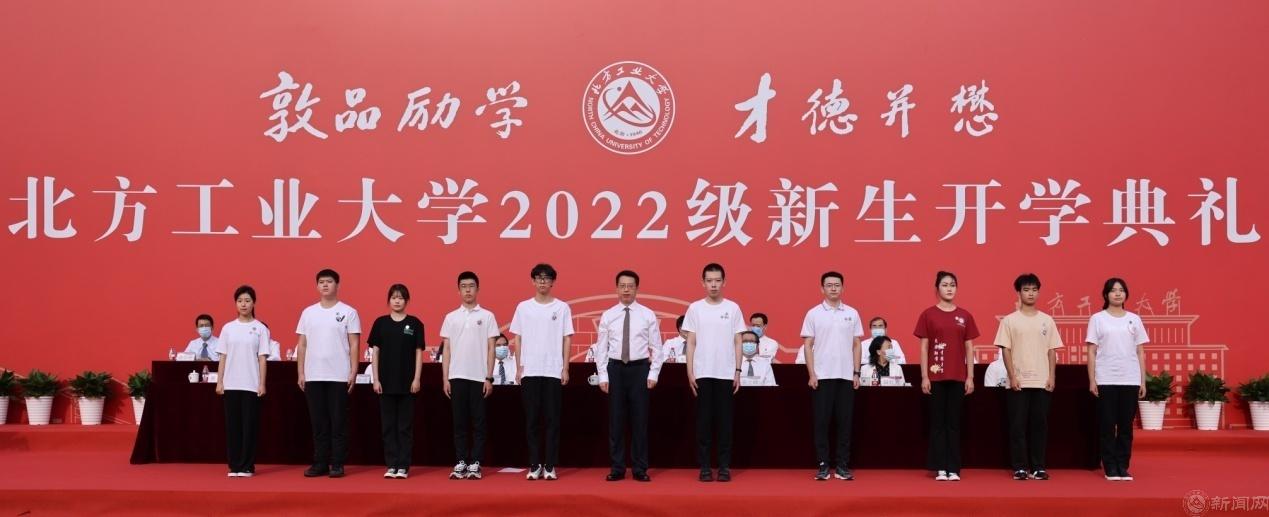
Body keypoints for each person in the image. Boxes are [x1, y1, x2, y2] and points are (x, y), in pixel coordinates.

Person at [596, 270, 665, 482]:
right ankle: (617, 468)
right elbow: (601, 349)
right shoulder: (608, 315)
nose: (626, 289)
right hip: (615, 370)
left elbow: (657, 347)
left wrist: (653, 373)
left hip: (640, 370)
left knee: (639, 421)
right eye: (622, 286)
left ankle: (639, 468)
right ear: (616, 288)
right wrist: (603, 376)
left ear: (637, 288)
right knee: (616, 422)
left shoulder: (647, 314)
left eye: (630, 286)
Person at [996, 273, 1063, 481]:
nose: (1030, 293)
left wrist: (1052, 376)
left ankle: (1038, 467)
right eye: (1026, 290)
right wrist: (1012, 376)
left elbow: (1052, 350)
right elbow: (1006, 350)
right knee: (1017, 426)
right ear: (1019, 293)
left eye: (1034, 290)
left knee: (1039, 426)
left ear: (1038, 292)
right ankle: (1020, 467)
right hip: (1018, 381)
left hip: (1042, 381)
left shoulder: (1047, 320)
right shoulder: (1009, 320)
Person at [510, 263, 574, 481]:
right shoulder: (523, 307)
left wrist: (565, 367)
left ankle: (549, 465)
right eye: (539, 278)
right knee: (532, 420)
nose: (543, 281)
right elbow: (517, 338)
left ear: (553, 282)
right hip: (530, 369)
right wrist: (519, 367)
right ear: (533, 281)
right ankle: (535, 464)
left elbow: (567, 338)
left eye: (547, 278)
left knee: (552, 420)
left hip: (553, 370)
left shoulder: (562, 308)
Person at [296, 269, 361, 479]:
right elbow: (302, 344)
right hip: (313, 374)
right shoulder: (308, 313)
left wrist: (353, 370)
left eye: (329, 281)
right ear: (317, 286)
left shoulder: (348, 312)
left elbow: (354, 344)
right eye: (321, 282)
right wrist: (301, 372)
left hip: (339, 375)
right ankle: (320, 462)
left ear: (337, 285)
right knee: (319, 422)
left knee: (338, 421)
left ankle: (337, 463)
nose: (325, 285)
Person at [915, 270, 980, 482]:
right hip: (935, 377)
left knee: (953, 424)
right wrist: (924, 376)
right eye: (945, 285)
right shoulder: (928, 314)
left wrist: (970, 377)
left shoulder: (965, 315)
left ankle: (953, 468)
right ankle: (940, 467)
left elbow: (969, 348)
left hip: (958, 377)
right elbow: (924, 348)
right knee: (937, 424)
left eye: (952, 285)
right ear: (937, 289)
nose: (949, 288)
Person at [684, 263, 746, 482]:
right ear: (703, 282)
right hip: (702, 372)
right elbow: (691, 342)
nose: (713, 285)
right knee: (703, 422)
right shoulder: (695, 308)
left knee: (725, 423)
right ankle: (704, 467)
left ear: (724, 282)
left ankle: (724, 467)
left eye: (717, 280)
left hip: (726, 373)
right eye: (709, 281)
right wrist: (690, 372)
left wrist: (737, 371)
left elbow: (738, 341)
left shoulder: (733, 308)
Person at [800, 271, 863, 481]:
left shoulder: (852, 313)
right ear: (822, 288)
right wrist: (812, 373)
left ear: (843, 288)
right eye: (829, 285)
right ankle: (823, 465)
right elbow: (808, 345)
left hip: (846, 376)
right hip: (822, 376)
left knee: (845, 422)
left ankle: (843, 466)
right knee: (821, 422)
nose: (833, 288)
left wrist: (856, 372)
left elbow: (856, 344)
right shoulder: (813, 313)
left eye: (837, 285)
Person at [1085, 278, 1149, 481]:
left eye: (1121, 290)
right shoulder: (1098, 319)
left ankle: (1122, 466)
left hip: (1130, 379)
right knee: (1107, 425)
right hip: (1105, 378)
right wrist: (1092, 380)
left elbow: (1140, 351)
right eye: (1113, 290)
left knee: (1125, 427)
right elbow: (1091, 351)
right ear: (1106, 295)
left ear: (1126, 294)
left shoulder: (1134, 319)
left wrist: (1142, 381)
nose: (1118, 293)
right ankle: (1110, 466)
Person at [441, 271, 498, 480]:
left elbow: (491, 348)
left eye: (471, 286)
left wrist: (489, 377)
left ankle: (476, 462)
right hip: (457, 376)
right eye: (464, 286)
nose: (468, 290)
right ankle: (461, 461)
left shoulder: (487, 316)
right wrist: (445, 378)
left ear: (477, 289)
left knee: (479, 422)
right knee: (459, 422)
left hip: (479, 377)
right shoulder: (451, 317)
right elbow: (446, 349)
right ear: (458, 290)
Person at [368, 284, 425, 479]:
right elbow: (375, 352)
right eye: (394, 297)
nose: (397, 301)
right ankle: (391, 465)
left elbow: (418, 352)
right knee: (388, 427)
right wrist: (376, 379)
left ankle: (403, 466)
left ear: (406, 301)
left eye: (401, 298)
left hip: (407, 384)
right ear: (389, 300)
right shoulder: (380, 323)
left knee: (404, 427)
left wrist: (416, 378)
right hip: (385, 383)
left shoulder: (415, 323)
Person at [214, 286, 269, 478]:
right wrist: (220, 382)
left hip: (251, 384)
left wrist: (262, 383)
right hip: (231, 384)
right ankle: (234, 465)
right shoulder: (228, 328)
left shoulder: (260, 328)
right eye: (239, 301)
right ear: (235, 304)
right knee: (233, 426)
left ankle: (247, 466)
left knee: (249, 426)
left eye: (247, 300)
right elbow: (223, 357)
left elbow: (262, 358)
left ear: (254, 303)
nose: (243, 304)